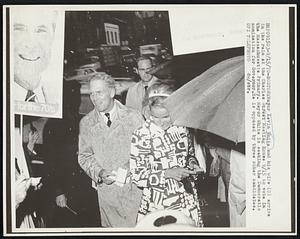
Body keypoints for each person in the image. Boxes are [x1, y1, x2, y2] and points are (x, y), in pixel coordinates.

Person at [130, 81, 204, 227]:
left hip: (185, 197)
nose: (161, 122)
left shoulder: (182, 129)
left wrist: (193, 165)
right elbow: (137, 176)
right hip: (158, 201)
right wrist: (167, 173)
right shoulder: (141, 135)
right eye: (155, 117)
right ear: (148, 111)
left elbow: (189, 155)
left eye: (166, 117)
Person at [78, 73, 144, 227]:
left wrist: (129, 166)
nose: (94, 98)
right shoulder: (86, 123)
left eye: (99, 92)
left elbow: (146, 151)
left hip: (136, 192)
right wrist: (99, 173)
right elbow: (84, 156)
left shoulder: (134, 117)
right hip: (108, 197)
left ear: (112, 92)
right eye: (91, 94)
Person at [42, 80, 100, 227]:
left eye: (77, 96)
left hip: (85, 184)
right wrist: (58, 192)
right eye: (71, 96)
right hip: (66, 186)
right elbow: (50, 162)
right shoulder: (53, 126)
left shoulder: (82, 120)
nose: (76, 101)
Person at [13, 8, 57, 103]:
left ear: (52, 37)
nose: (31, 44)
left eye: (41, 31)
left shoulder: (60, 97)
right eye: (19, 29)